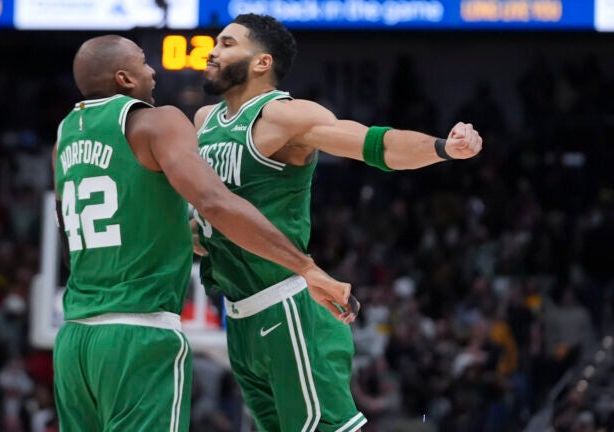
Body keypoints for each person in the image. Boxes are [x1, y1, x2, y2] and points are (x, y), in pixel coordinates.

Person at [192, 13, 484, 432]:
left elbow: (375, 144)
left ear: (261, 62)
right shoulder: (204, 123)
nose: (213, 52)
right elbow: (208, 224)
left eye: (227, 43)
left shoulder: (286, 117)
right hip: (239, 315)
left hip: (288, 305)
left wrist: (443, 148)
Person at [51, 35, 354, 432]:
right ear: (125, 79)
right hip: (138, 333)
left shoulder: (65, 133)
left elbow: (70, 234)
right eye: (144, 63)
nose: (153, 71)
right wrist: (306, 268)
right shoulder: (158, 121)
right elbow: (215, 202)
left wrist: (174, 237)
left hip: (74, 340)